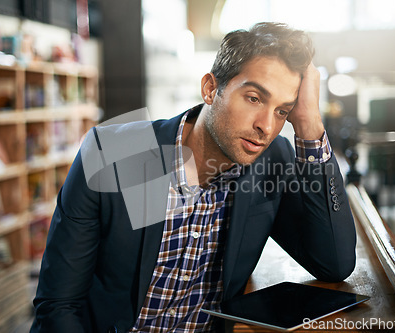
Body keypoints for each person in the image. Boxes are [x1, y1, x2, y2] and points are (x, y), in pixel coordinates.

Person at [30, 22, 356, 333]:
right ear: (211, 88)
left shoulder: (272, 161)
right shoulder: (116, 154)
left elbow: (335, 262)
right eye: (254, 98)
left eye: (282, 110)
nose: (266, 127)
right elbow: (58, 305)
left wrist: (309, 124)